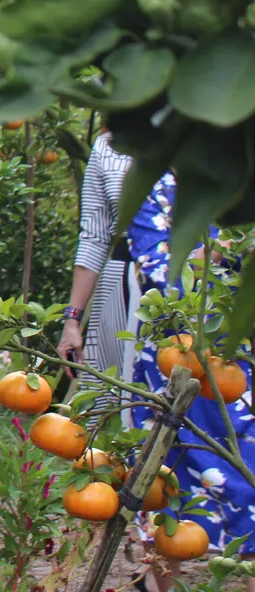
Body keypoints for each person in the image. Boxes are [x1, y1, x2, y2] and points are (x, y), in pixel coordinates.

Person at [125, 174, 255, 592]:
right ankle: (157, 582)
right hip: (175, 359)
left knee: (247, 473)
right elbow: (160, 271)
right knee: (168, 482)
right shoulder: (152, 186)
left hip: (237, 357)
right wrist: (227, 250)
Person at [56, 128, 134, 413]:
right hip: (122, 283)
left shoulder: (210, 132)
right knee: (113, 399)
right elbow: (94, 237)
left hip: (193, 279)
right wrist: (72, 321)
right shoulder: (108, 145)